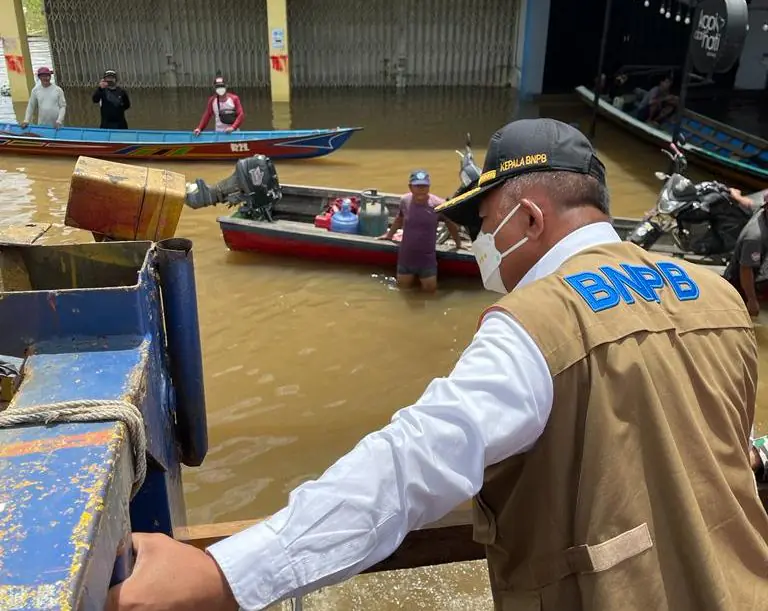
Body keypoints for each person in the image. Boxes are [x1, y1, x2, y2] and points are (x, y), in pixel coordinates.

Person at [106, 119, 768, 611]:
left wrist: (226, 574)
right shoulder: (717, 296)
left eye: (482, 224)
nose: (479, 246)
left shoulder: (539, 323)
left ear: (529, 217)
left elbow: (410, 463)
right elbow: (722, 447)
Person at [377, 170, 462, 292]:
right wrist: (389, 235)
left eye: (424, 186)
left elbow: (451, 225)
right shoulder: (404, 201)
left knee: (430, 294)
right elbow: (399, 219)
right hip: (406, 258)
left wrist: (458, 245)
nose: (421, 189)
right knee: (403, 292)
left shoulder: (439, 204)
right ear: (410, 187)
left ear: (429, 186)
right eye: (417, 186)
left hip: (427, 261)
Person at [723, 191, 768, 316]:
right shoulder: (755, 237)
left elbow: (750, 203)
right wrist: (752, 300)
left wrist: (736, 195)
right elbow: (745, 270)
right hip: (740, 282)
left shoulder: (760, 210)